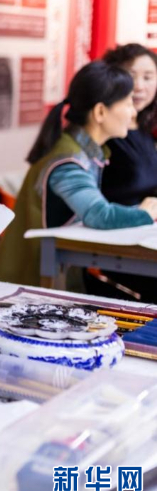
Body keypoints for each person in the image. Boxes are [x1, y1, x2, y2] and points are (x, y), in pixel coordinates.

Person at [0, 61, 157, 287]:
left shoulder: (83, 151)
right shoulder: (68, 163)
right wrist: (144, 213)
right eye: (127, 104)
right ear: (100, 112)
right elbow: (99, 215)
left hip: (58, 273)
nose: (133, 112)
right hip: (35, 287)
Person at [91, 44, 157, 302]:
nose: (139, 86)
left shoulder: (143, 125)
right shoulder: (107, 130)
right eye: (131, 75)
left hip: (142, 235)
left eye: (148, 77)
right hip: (113, 245)